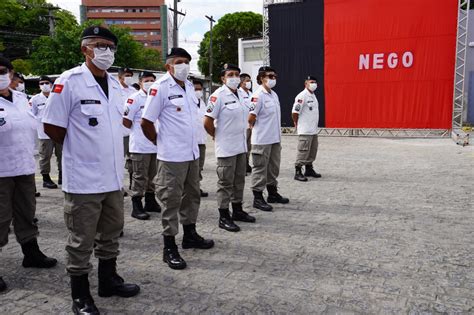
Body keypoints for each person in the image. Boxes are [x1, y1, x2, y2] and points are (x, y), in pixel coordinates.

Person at [42, 26, 140, 314]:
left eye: (110, 47)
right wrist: (80, 152)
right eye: (99, 45)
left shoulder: (116, 84)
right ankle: (80, 294)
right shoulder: (69, 81)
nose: (106, 52)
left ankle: (108, 280)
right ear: (85, 49)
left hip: (111, 177)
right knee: (81, 240)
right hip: (83, 180)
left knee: (110, 233)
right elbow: (52, 126)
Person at [141, 47, 214, 270]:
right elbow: (146, 122)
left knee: (192, 195)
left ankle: (190, 234)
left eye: (187, 61)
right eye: (180, 61)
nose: (184, 65)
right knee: (171, 200)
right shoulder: (160, 88)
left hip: (191, 154)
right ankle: (169, 246)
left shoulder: (190, 86)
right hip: (171, 156)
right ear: (169, 65)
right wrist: (159, 143)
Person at [0, 56, 57, 293]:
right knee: (1, 218)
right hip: (1, 171)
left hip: (23, 167)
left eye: (3, 70)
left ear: (12, 73)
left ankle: (30, 252)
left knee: (26, 213)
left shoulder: (23, 99)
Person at [204, 64, 256, 233]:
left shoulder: (242, 94)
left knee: (239, 180)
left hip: (240, 146)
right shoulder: (217, 96)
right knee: (225, 182)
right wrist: (217, 135)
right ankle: (224, 215)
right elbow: (207, 122)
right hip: (226, 147)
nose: (235, 77)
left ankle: (238, 210)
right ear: (223, 78)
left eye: (237, 74)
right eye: (231, 74)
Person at [248, 66, 289, 212]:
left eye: (274, 76)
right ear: (261, 78)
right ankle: (258, 198)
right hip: (262, 140)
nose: (273, 78)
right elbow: (250, 117)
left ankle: (272, 193)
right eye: (270, 76)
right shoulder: (257, 96)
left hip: (274, 138)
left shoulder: (274, 95)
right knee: (260, 169)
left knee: (273, 168)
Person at [123, 71, 161, 220]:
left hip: (155, 145)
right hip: (139, 146)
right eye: (147, 80)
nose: (149, 82)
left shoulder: (157, 97)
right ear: (140, 82)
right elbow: (126, 120)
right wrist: (137, 129)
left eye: (152, 80)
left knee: (153, 176)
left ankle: (150, 201)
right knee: (139, 177)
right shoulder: (134, 99)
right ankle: (136, 204)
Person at [30, 75, 62, 188]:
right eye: (41, 84)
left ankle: (62, 176)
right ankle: (46, 178)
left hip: (59, 131)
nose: (44, 85)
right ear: (39, 86)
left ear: (51, 84)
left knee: (61, 155)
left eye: (46, 83)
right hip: (44, 133)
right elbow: (31, 115)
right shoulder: (35, 99)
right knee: (45, 156)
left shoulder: (57, 96)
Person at [292, 76, 322, 181]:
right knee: (303, 151)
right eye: (311, 82)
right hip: (305, 130)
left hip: (313, 130)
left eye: (315, 82)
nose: (314, 84)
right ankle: (298, 171)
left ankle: (309, 168)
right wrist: (296, 122)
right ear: (306, 84)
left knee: (312, 151)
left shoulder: (313, 95)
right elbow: (295, 112)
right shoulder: (302, 96)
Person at [118, 67, 135, 193]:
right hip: (119, 131)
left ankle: (133, 184)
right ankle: (118, 186)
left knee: (133, 160)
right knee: (119, 160)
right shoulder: (115, 90)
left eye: (130, 75)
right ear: (120, 77)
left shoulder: (134, 91)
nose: (129, 77)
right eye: (126, 75)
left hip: (133, 132)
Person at [193, 80, 209, 198]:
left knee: (199, 166)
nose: (198, 91)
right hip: (191, 141)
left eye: (199, 89)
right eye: (195, 89)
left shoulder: (203, 103)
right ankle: (191, 188)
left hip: (201, 140)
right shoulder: (187, 103)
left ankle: (196, 186)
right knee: (192, 167)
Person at [239, 73, 253, 173]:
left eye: (249, 81)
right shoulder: (239, 93)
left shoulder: (251, 94)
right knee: (242, 145)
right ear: (241, 82)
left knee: (248, 146)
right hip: (243, 125)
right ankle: (241, 165)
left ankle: (246, 163)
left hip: (251, 125)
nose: (249, 83)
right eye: (247, 81)